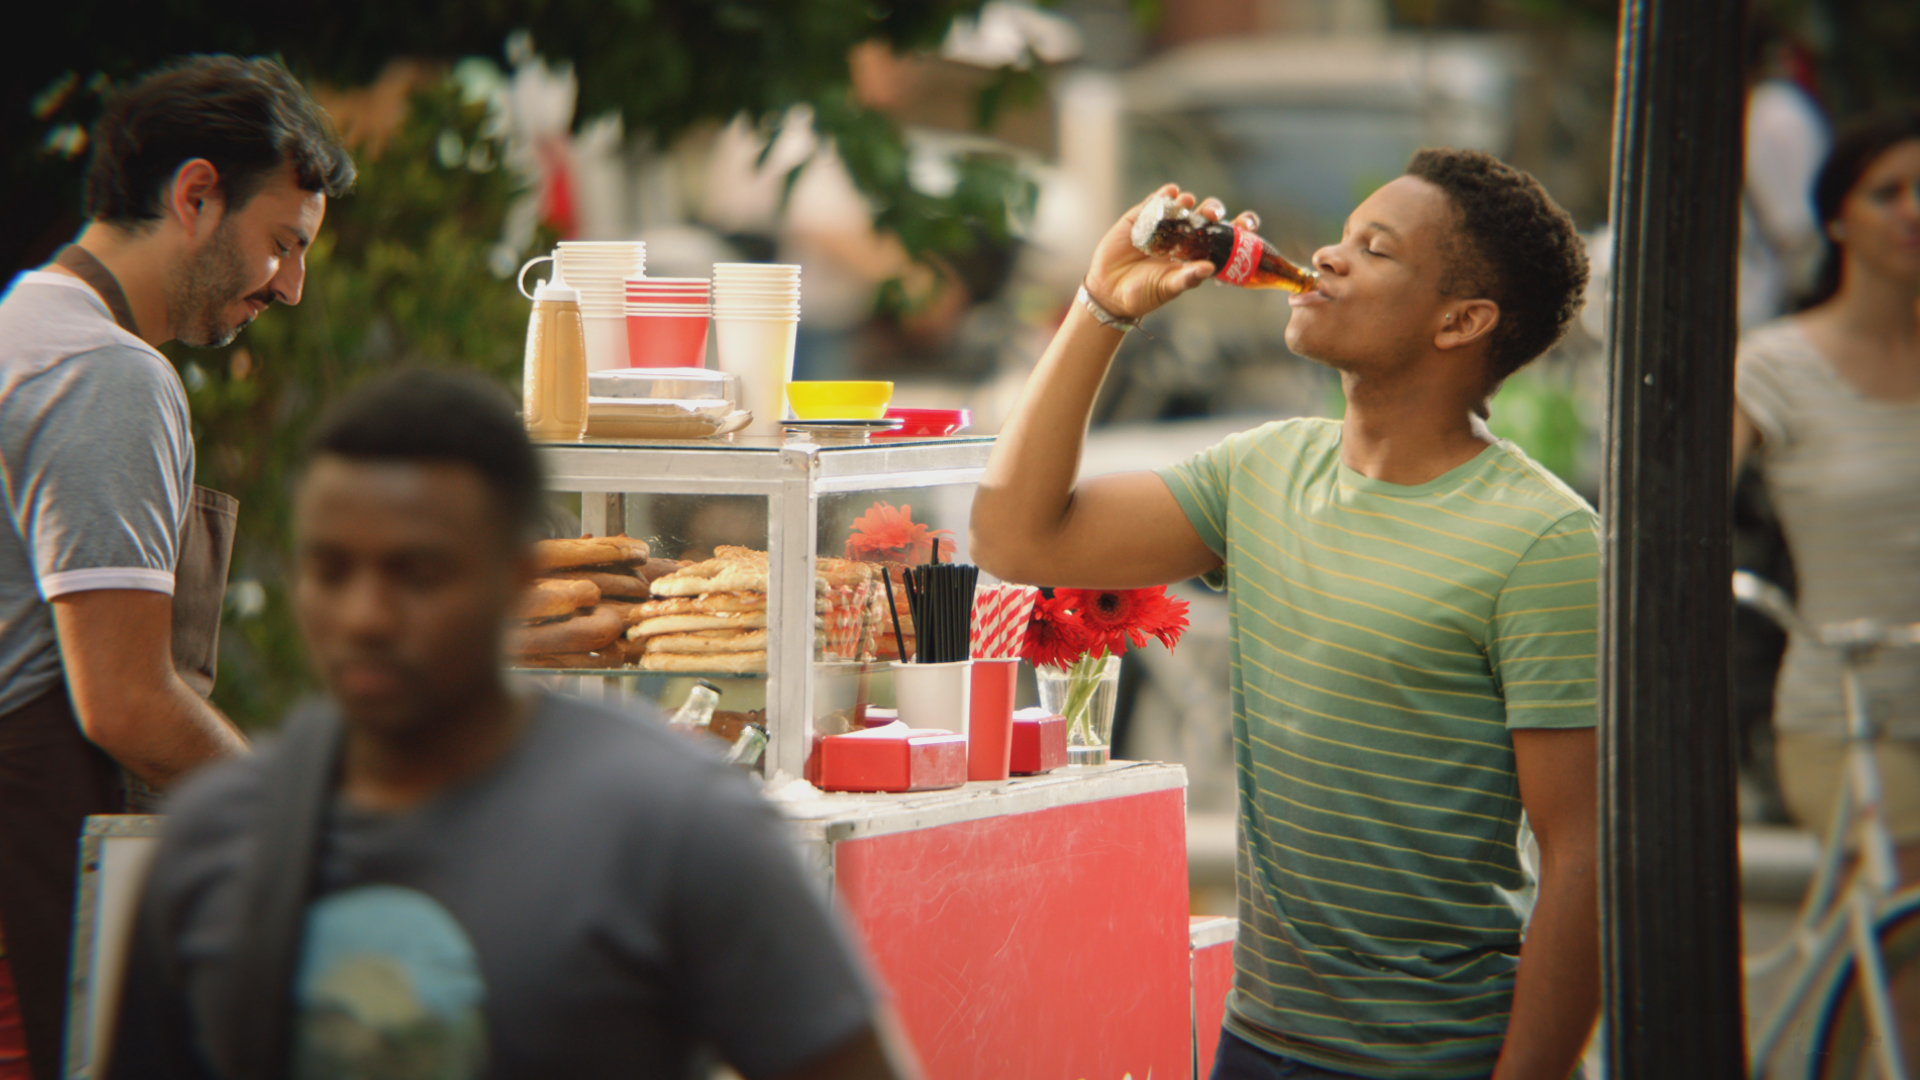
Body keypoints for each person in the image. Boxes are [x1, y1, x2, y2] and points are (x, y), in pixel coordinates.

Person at [973, 150, 1596, 1080]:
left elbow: (1586, 852)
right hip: (1257, 1041)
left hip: (1439, 1058)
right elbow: (1018, 538)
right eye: (1341, 237)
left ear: (1461, 321)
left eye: (1374, 251)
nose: (1328, 259)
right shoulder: (1263, 472)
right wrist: (1101, 306)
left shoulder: (1544, 541)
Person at [108, 371, 911, 1080]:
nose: (364, 615)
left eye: (416, 572)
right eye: (331, 569)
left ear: (515, 578)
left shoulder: (673, 823)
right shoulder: (221, 839)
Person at [0, 55, 354, 1079]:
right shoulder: (106, 375)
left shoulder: (23, 321)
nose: (289, 287)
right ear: (195, 194)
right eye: (282, 243)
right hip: (28, 897)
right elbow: (124, 703)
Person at [1734, 111, 1920, 892]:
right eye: (1889, 192)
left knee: (1879, 988)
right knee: (1904, 920)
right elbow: (1675, 512)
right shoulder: (1776, 363)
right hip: (1847, 718)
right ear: (1836, 216)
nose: (1915, 210)